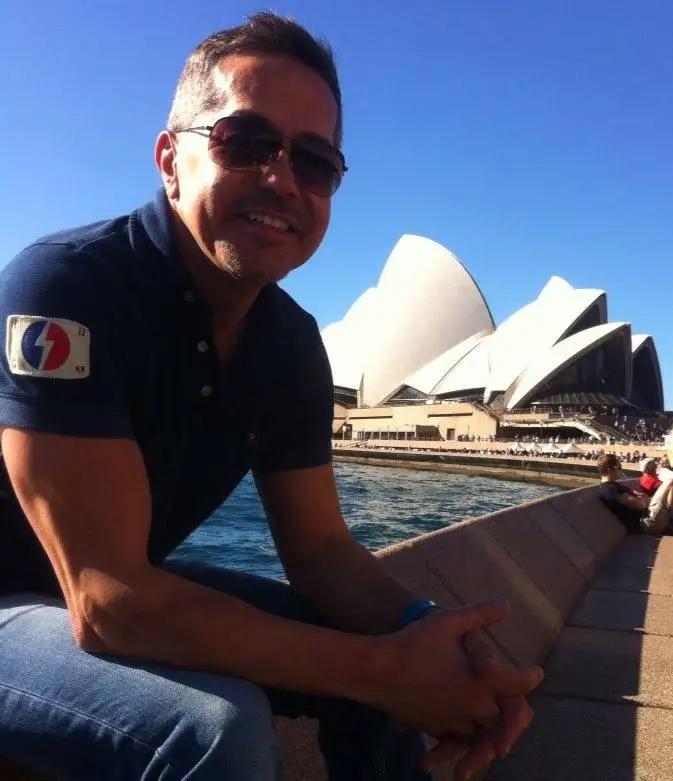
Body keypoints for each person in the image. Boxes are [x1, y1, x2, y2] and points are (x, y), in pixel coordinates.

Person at [0, 13, 543, 781]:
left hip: (97, 585)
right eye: (245, 142)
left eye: (315, 162)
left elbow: (321, 552)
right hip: (20, 598)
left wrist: (437, 634)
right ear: (170, 159)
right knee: (214, 729)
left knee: (379, 648)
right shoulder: (69, 287)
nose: (282, 179)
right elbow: (108, 599)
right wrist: (377, 668)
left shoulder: (288, 343)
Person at [598, 453, 673, 534]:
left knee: (670, 483)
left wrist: (639, 498)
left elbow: (638, 501)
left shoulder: (615, 485)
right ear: (610, 470)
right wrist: (642, 499)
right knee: (670, 481)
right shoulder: (609, 490)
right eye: (619, 467)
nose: (621, 469)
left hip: (648, 515)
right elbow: (641, 505)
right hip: (646, 522)